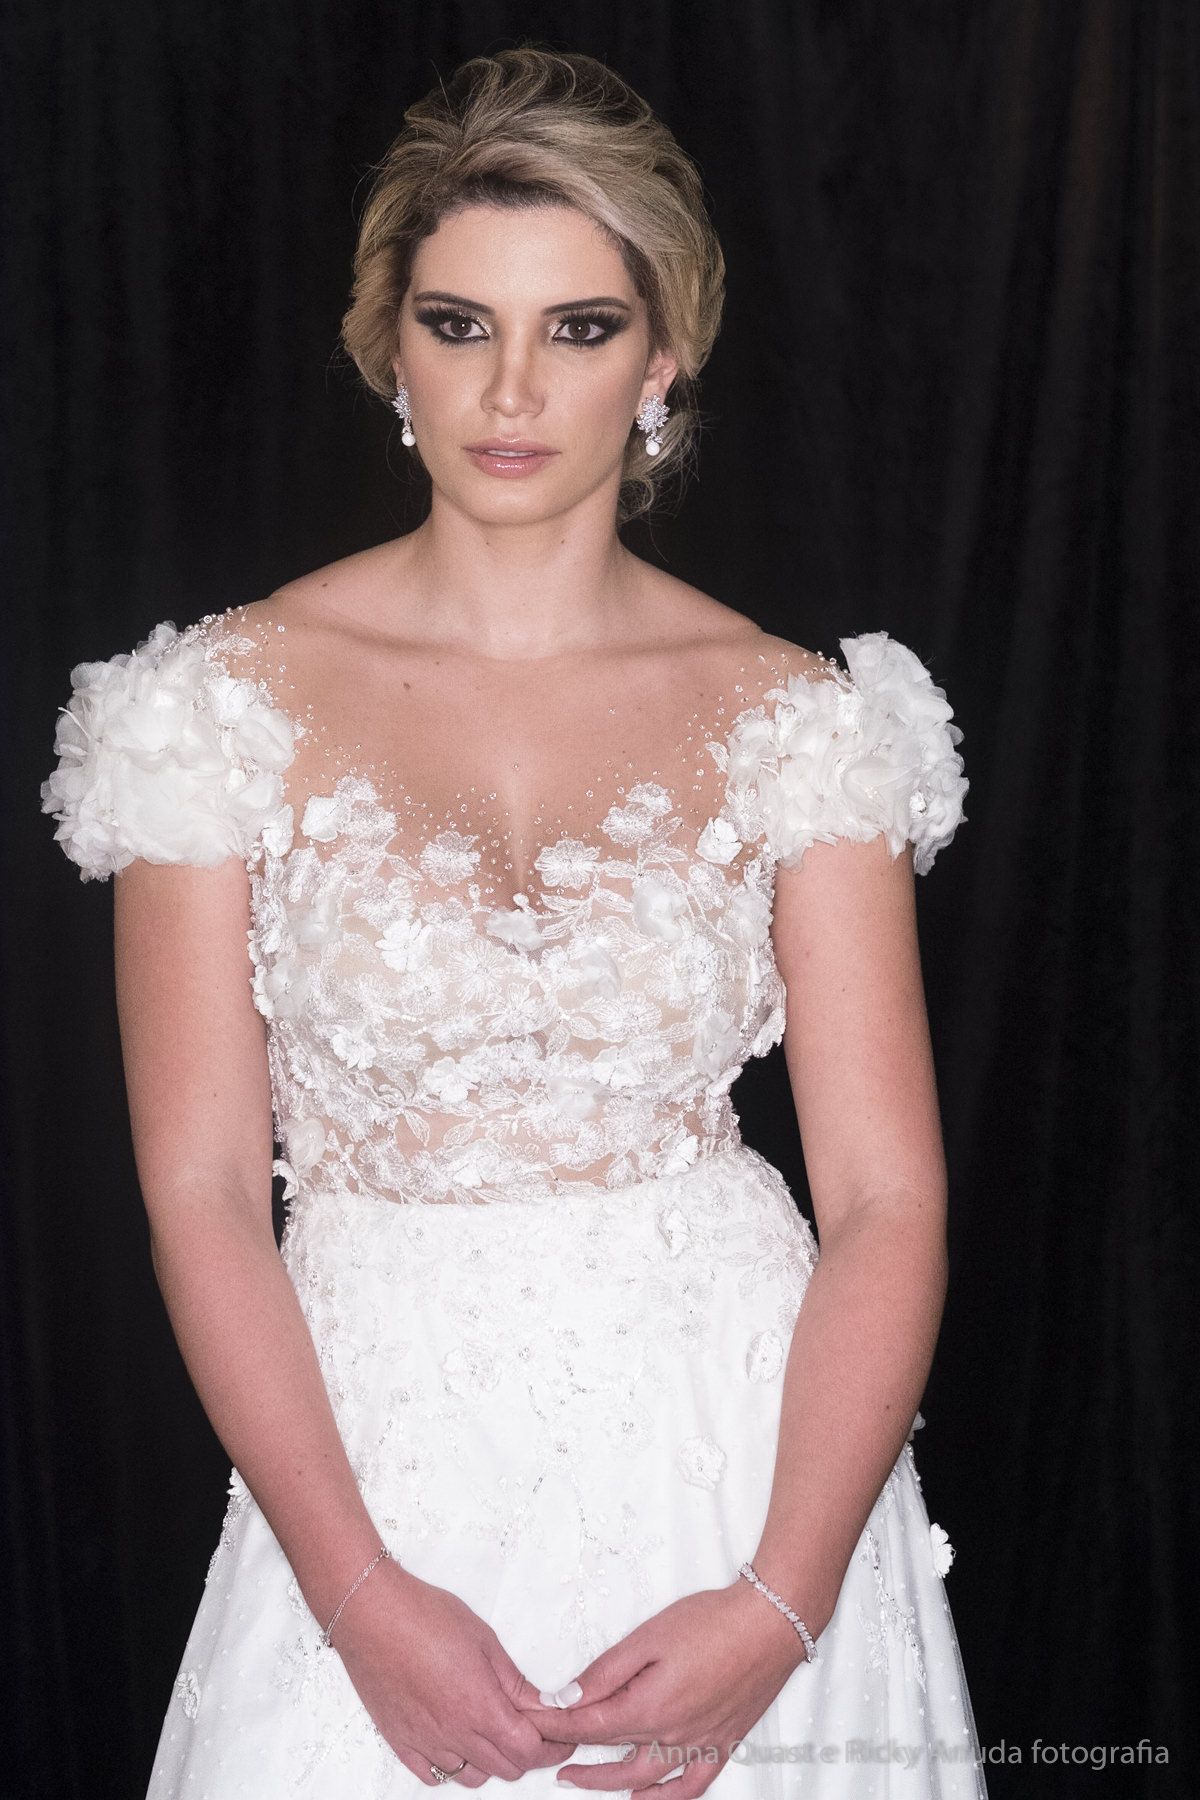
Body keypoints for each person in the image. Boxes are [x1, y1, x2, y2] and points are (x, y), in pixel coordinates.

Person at [40, 45, 987, 1800]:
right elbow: (202, 1192)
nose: (513, 389)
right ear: (390, 345)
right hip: (370, 1477)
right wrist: (354, 1595)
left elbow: (887, 1198)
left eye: (581, 327)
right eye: (461, 324)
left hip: (741, 1467)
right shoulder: (211, 710)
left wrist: (781, 1604)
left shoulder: (801, 720)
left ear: (664, 356)